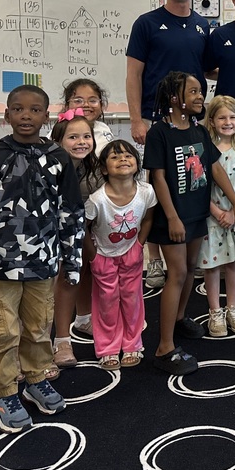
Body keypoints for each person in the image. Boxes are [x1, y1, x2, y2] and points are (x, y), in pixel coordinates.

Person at [0, 85, 84, 433]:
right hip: (1, 267)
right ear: (7, 115)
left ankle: (35, 379)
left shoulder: (58, 158)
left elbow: (71, 212)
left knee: (37, 326)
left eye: (34, 110)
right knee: (3, 331)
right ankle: (4, 393)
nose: (26, 116)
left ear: (47, 116)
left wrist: (72, 261)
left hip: (43, 264)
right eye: (18, 109)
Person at [144, 71, 235, 375]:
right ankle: (164, 347)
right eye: (193, 92)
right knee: (176, 274)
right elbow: (157, 177)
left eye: (201, 91)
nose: (201, 97)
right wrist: (173, 217)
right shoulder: (159, 133)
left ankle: (179, 319)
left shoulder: (199, 131)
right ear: (175, 99)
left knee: (190, 271)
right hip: (172, 217)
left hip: (196, 213)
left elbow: (214, 169)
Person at [125, 0, 214, 291]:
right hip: (156, 118)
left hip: (191, 120)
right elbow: (134, 74)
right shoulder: (147, 24)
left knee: (190, 180)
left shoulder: (203, 25)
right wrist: (137, 118)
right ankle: (156, 261)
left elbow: (207, 71)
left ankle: (190, 252)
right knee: (155, 184)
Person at [84, 140, 156, 369]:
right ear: (104, 168)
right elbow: (84, 228)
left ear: (137, 164)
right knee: (107, 300)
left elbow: (149, 218)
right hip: (103, 254)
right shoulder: (97, 200)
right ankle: (108, 347)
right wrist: (94, 256)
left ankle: (133, 343)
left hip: (131, 252)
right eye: (115, 157)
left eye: (128, 155)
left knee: (132, 298)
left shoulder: (146, 191)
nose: (123, 159)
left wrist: (139, 244)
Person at [50, 110, 102, 370]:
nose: (82, 142)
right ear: (58, 141)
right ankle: (61, 339)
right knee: (65, 279)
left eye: (86, 136)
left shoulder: (91, 166)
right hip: (53, 235)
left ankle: (83, 318)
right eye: (73, 137)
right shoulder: (52, 167)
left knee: (84, 273)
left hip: (81, 232)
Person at [201, 95, 235, 336]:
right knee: (212, 266)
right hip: (212, 216)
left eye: (232, 117)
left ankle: (233, 307)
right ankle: (215, 312)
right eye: (222, 117)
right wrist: (217, 212)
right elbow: (201, 185)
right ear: (212, 121)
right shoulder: (204, 148)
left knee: (234, 263)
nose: (228, 122)